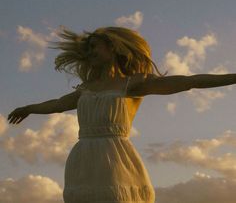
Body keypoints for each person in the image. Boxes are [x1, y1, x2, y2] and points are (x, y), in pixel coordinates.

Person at [7, 26, 236, 203]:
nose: (90, 53)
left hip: (115, 158)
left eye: (94, 47)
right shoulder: (86, 87)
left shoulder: (132, 84)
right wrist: (28, 109)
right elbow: (58, 104)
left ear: (113, 47)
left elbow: (190, 82)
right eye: (88, 49)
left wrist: (233, 77)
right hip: (82, 158)